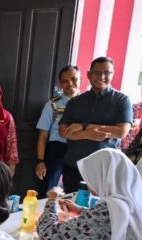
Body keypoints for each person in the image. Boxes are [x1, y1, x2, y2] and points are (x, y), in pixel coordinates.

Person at [58, 56, 133, 192]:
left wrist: (83, 126)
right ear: (89, 74)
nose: (102, 76)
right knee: (69, 206)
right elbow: (63, 132)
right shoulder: (75, 102)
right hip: (74, 166)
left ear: (112, 74)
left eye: (107, 72)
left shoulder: (122, 100)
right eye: (97, 72)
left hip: (104, 168)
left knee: (99, 208)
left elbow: (121, 132)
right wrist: (90, 134)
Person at [33, 65, 81, 195]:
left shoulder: (88, 104)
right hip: (57, 150)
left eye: (74, 79)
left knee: (75, 191)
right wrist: (40, 161)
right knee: (48, 190)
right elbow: (43, 135)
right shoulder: (52, 105)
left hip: (79, 150)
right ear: (60, 84)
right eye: (65, 81)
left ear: (81, 79)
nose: (70, 84)